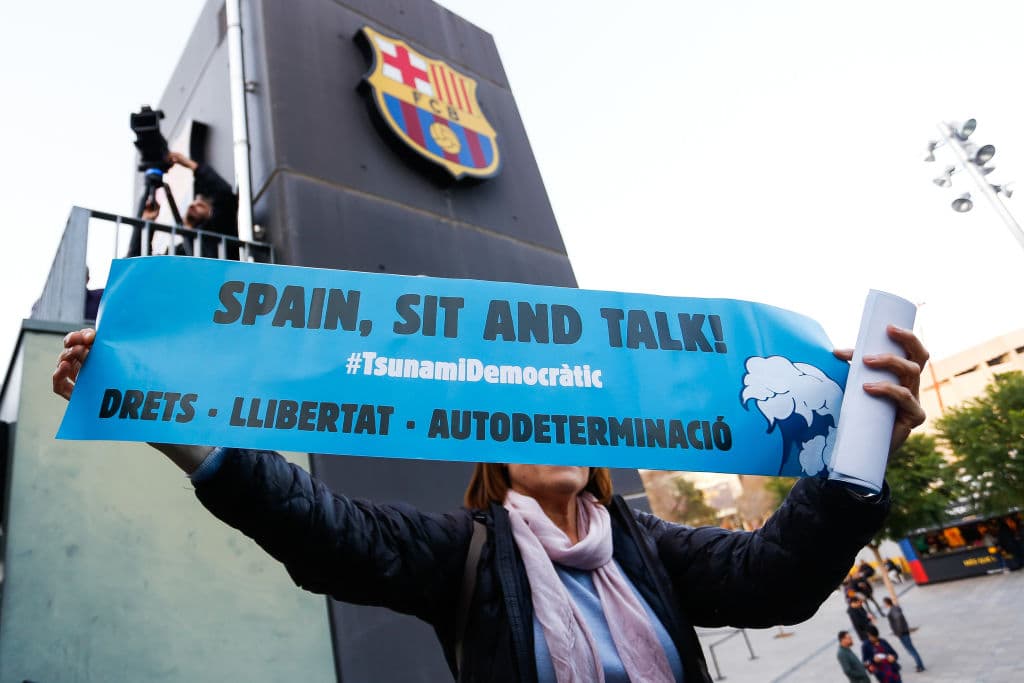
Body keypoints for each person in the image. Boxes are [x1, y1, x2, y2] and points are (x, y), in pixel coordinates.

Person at [52, 325, 928, 682]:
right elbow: (321, 527)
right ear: (494, 456)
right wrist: (169, 419)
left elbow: (775, 581)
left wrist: (859, 459)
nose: (566, 434)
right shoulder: (459, 552)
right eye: (538, 422)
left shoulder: (649, 545)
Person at [128, 151, 239, 259]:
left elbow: (224, 194)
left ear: (211, 214)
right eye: (192, 204)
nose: (192, 206)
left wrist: (190, 164)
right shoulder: (179, 253)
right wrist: (147, 222)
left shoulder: (220, 237)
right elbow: (137, 260)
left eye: (200, 205)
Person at [883, 597, 924, 672]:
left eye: (884, 603)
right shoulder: (895, 608)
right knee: (910, 649)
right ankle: (919, 663)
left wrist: (898, 632)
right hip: (903, 632)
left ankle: (920, 666)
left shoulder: (893, 610)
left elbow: (898, 619)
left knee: (911, 650)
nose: (884, 605)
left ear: (886, 603)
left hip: (902, 633)